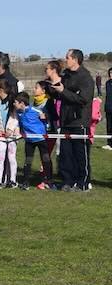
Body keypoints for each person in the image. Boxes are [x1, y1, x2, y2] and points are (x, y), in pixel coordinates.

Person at [51, 49, 93, 191]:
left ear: (75, 60)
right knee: (66, 155)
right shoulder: (66, 75)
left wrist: (63, 91)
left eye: (67, 57)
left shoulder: (85, 77)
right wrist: (53, 89)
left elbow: (83, 99)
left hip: (79, 121)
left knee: (81, 155)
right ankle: (68, 181)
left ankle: (83, 183)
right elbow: (61, 95)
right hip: (65, 121)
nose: (65, 60)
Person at [15, 92, 52, 190]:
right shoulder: (18, 113)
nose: (14, 104)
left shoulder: (35, 110)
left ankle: (48, 181)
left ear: (22, 103)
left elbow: (47, 117)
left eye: (16, 102)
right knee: (28, 161)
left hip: (41, 139)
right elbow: (18, 124)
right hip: (29, 141)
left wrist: (46, 118)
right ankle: (26, 182)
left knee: (46, 160)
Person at [104, 67, 112, 151]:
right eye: (110, 73)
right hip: (108, 108)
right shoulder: (107, 83)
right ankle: (109, 144)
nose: (111, 75)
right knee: (109, 127)